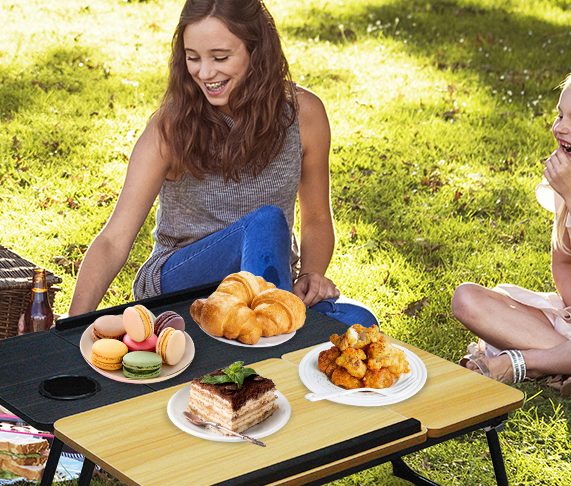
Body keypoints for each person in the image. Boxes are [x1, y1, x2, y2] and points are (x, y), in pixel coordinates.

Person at [67, 0, 376, 328]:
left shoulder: (304, 116)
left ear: (257, 50)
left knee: (359, 322)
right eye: (193, 57)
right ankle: (271, 340)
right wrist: (71, 325)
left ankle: (266, 326)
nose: (204, 73)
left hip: (269, 280)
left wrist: (311, 275)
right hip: (182, 287)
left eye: (220, 57)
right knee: (266, 222)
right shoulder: (171, 126)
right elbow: (114, 239)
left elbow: (316, 219)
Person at [453, 62, 571, 395]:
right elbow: (563, 264)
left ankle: (528, 361)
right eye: (560, 115)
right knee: (466, 298)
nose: (560, 128)